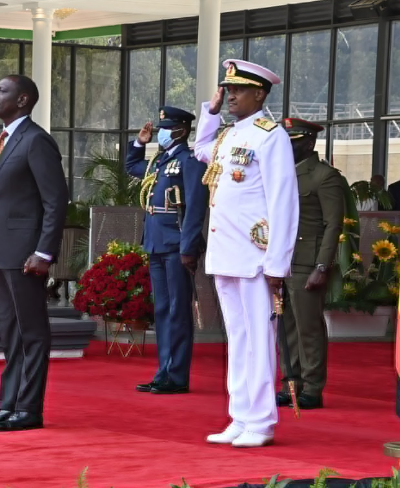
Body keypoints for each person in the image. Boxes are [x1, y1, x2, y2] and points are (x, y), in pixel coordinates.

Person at [194, 60, 299, 448]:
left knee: (258, 338)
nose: (231, 95)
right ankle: (240, 415)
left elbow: (284, 201)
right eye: (227, 89)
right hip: (226, 252)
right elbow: (200, 150)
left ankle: (261, 421)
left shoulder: (270, 136)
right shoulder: (227, 135)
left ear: (260, 94)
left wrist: (277, 261)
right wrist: (211, 110)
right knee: (238, 339)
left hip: (256, 257)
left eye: (238, 90)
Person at [0, 75, 68, 431]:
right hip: (2, 252)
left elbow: (55, 201)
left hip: (28, 255)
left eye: (3, 91)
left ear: (24, 100)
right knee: (10, 333)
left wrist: (44, 252)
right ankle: (7, 404)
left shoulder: (36, 141)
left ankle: (28, 409)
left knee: (31, 332)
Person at [126, 106, 207, 394]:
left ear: (181, 131)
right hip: (156, 243)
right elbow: (131, 167)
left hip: (176, 245)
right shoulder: (160, 162)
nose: (161, 132)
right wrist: (140, 143)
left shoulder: (190, 162)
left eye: (166, 128)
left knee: (177, 311)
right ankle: (163, 372)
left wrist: (189, 247)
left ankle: (176, 375)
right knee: (161, 309)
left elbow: (196, 208)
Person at [277, 118, 344, 410]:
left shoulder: (323, 176)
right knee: (286, 326)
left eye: (292, 143)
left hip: (307, 262)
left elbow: (333, 225)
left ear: (309, 143)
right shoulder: (280, 173)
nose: (287, 149)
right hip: (282, 259)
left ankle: (312, 388)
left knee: (308, 327)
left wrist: (322, 266)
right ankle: (291, 382)